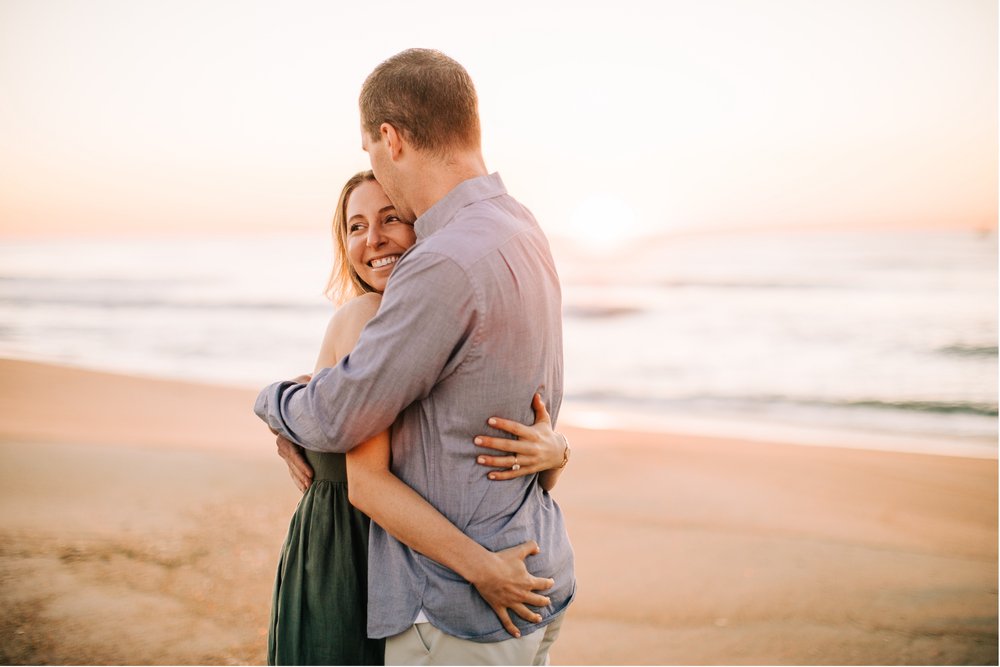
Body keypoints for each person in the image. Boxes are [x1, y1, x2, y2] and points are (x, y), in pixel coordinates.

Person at [256, 48, 575, 665]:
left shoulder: (439, 262)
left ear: (389, 138)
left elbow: (336, 418)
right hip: (538, 572)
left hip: (461, 607)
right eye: (356, 226)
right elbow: (513, 410)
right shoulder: (522, 227)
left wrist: (272, 401)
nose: (374, 236)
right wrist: (558, 447)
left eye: (370, 151)